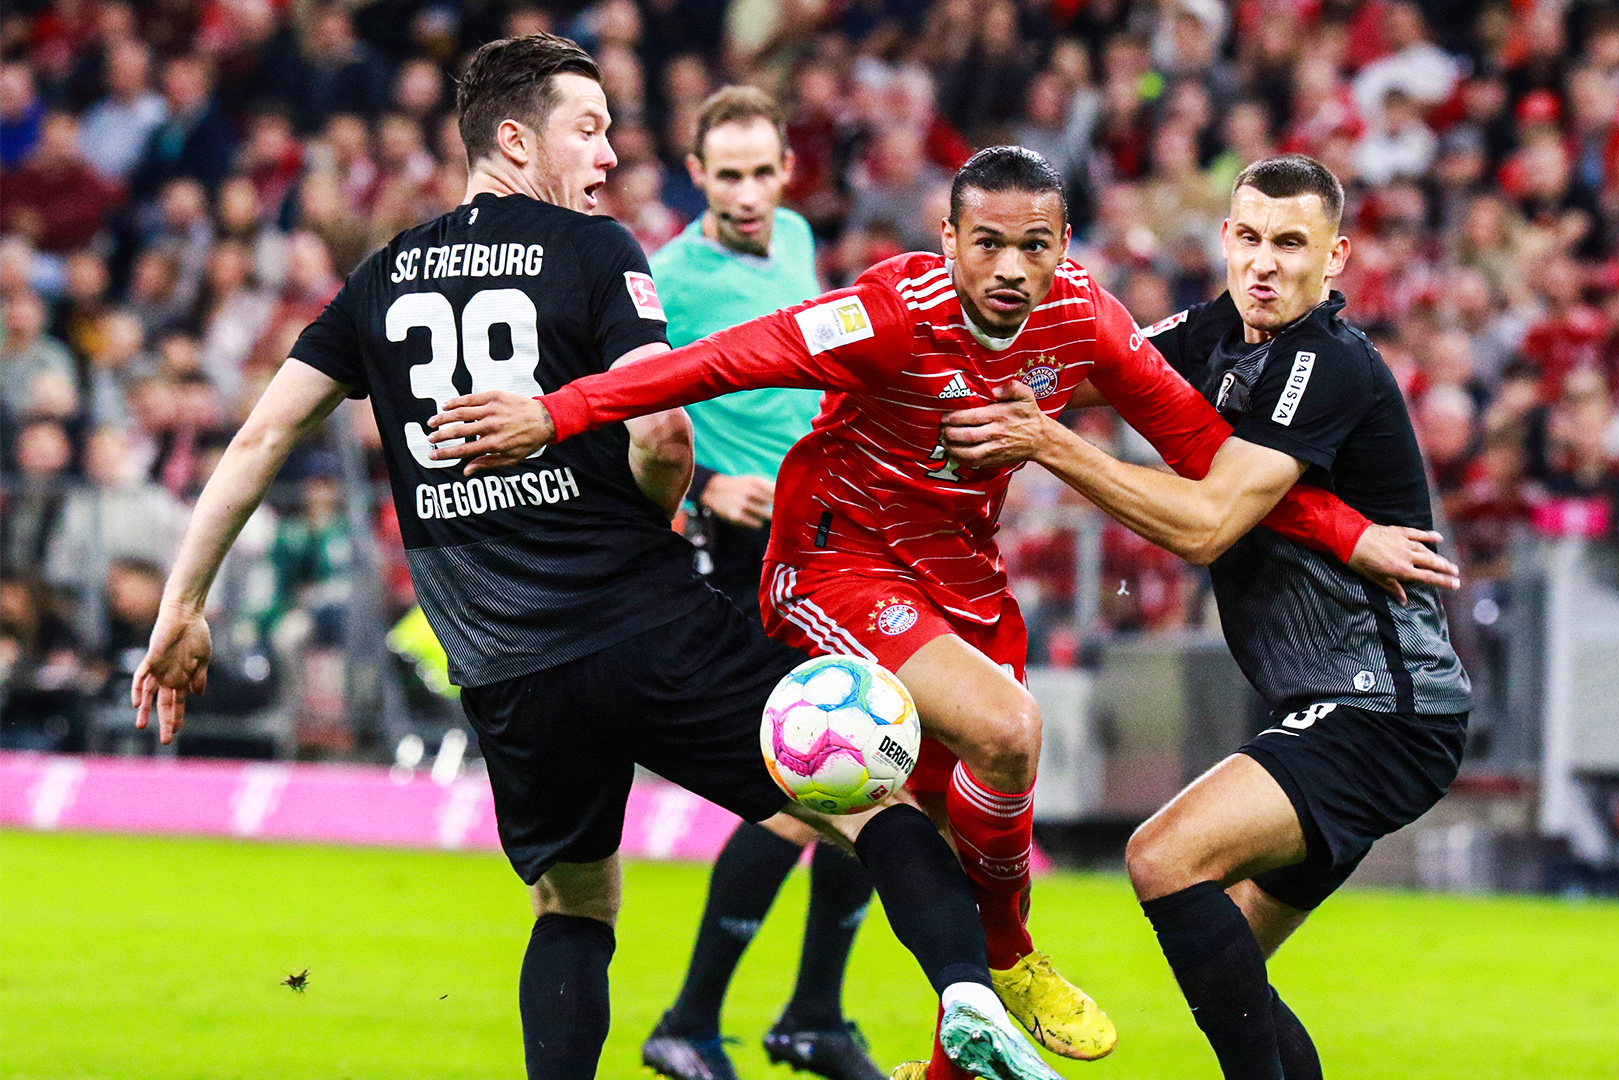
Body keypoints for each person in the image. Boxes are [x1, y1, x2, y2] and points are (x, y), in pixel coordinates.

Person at [130, 35, 1065, 1080]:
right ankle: (967, 995)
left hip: (507, 672)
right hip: (645, 624)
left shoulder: (381, 278)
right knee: (873, 800)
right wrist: (661, 514)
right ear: (516, 139)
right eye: (592, 128)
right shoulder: (593, 250)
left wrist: (185, 604)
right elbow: (662, 434)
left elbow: (260, 438)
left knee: (575, 902)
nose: (612, 155)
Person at [423, 146, 1454, 1080]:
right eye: (990, 243)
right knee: (1004, 732)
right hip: (838, 563)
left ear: (1063, 250)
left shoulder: (1084, 320)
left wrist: (1343, 529)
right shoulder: (887, 312)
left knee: (960, 810)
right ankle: (999, 962)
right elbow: (723, 360)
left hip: (965, 576)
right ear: (948, 238)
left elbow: (1204, 465)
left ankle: (949, 1040)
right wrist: (556, 412)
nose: (1011, 269)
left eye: (1035, 246)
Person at [938, 155, 1473, 1080]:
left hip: (1386, 709)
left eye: (1292, 244)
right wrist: (962, 347)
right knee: (1238, 984)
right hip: (1327, 704)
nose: (1265, 263)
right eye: (1251, 238)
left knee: (1162, 858)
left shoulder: (1328, 366)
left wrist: (1047, 443)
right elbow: (1086, 367)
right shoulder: (1218, 330)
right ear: (1227, 238)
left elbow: (1205, 523)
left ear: (1334, 257)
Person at [640, 85, 882, 1080]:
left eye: (761, 171)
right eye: (725, 174)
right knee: (816, 786)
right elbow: (632, 414)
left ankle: (809, 1014)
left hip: (823, 542)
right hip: (744, 560)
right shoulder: (666, 279)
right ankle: (697, 1020)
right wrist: (701, 493)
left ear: (789, 170)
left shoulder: (791, 240)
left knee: (867, 773)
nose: (746, 193)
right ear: (695, 175)